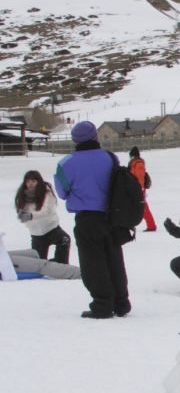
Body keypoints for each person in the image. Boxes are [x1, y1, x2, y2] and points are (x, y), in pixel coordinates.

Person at [53, 120, 130, 318]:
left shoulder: (65, 163)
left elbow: (62, 193)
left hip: (87, 219)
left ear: (74, 140)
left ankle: (102, 304)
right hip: (112, 216)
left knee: (93, 263)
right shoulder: (109, 158)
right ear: (95, 136)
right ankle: (121, 303)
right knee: (114, 259)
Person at [15, 169, 71, 264]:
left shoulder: (47, 192)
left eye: (33, 181)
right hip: (36, 234)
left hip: (51, 229)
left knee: (64, 240)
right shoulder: (22, 196)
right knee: (39, 263)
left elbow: (47, 211)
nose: (30, 183)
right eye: (28, 181)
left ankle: (60, 263)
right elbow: (24, 216)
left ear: (38, 181)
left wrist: (31, 215)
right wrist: (23, 217)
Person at [127, 146, 157, 232]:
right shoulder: (135, 163)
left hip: (137, 188)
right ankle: (150, 225)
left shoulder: (138, 163)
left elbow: (140, 177)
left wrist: (139, 188)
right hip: (136, 188)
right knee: (140, 207)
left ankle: (151, 226)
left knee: (143, 208)